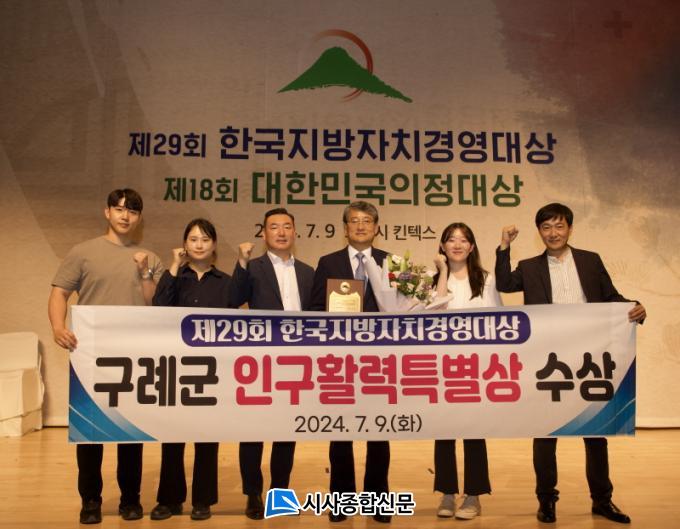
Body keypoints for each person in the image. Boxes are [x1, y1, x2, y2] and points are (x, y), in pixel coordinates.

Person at [495, 202, 646, 524]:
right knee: (545, 433)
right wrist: (504, 246)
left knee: (596, 432)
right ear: (539, 232)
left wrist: (635, 307)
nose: (553, 233)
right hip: (547, 359)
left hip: (589, 356)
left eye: (559, 226)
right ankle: (546, 500)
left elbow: (611, 297)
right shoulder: (530, 266)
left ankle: (602, 500)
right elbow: (504, 284)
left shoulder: (590, 261)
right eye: (546, 227)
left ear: (570, 228)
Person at [48, 189, 163, 524]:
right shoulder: (83, 252)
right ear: (107, 212)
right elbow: (59, 293)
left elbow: (154, 302)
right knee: (89, 433)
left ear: (140, 218)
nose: (126, 216)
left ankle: (130, 499)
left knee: (131, 432)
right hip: (90, 354)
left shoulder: (149, 257)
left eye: (133, 211)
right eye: (120, 209)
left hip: (134, 357)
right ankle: (90, 501)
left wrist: (144, 271)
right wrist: (58, 326)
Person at [310, 201, 392, 524]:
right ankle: (341, 501)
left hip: (379, 361)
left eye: (367, 221)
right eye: (354, 221)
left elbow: (404, 309)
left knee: (379, 431)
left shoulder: (390, 262)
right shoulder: (328, 262)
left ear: (376, 228)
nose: (360, 226)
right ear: (345, 228)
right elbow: (314, 309)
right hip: (340, 360)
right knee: (340, 431)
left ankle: (377, 501)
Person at [230, 208, 314, 520]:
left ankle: (280, 493)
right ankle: (253, 493)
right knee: (253, 431)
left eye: (287, 226)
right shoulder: (252, 268)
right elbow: (232, 300)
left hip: (296, 364)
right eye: (274, 227)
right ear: (263, 234)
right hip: (259, 363)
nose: (281, 232)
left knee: (286, 432)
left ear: (295, 232)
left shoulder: (308, 272)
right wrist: (241, 263)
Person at [150, 218, 233, 521]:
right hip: (176, 368)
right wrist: (173, 266)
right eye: (193, 239)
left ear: (214, 245)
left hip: (213, 370)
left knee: (207, 438)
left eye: (205, 239)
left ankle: (203, 500)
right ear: (184, 244)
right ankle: (169, 499)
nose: (199, 245)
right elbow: (159, 308)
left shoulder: (225, 282)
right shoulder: (174, 277)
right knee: (172, 438)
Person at [432, 222, 500, 520]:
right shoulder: (431, 280)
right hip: (440, 367)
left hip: (476, 367)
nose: (457, 245)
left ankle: (473, 495)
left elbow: (498, 320)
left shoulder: (486, 280)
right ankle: (447, 493)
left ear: (472, 247)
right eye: (451, 240)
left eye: (463, 240)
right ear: (442, 246)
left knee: (474, 432)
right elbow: (434, 314)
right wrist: (442, 272)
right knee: (444, 432)